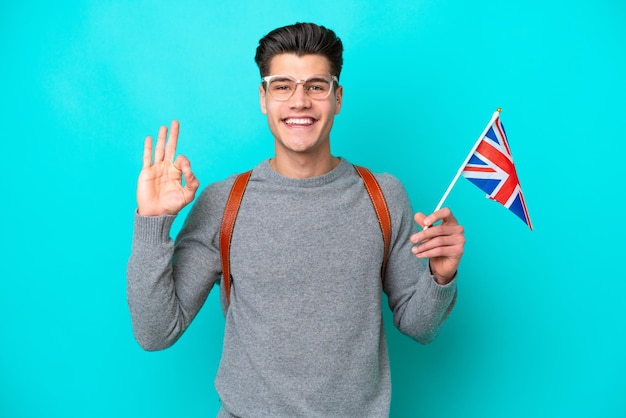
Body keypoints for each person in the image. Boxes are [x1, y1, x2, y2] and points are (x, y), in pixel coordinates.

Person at [127, 22, 465, 417]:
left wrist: (440, 278)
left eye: (316, 86)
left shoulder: (383, 196)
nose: (299, 101)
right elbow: (155, 332)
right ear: (263, 98)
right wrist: (152, 223)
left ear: (337, 98)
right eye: (283, 85)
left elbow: (419, 326)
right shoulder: (224, 203)